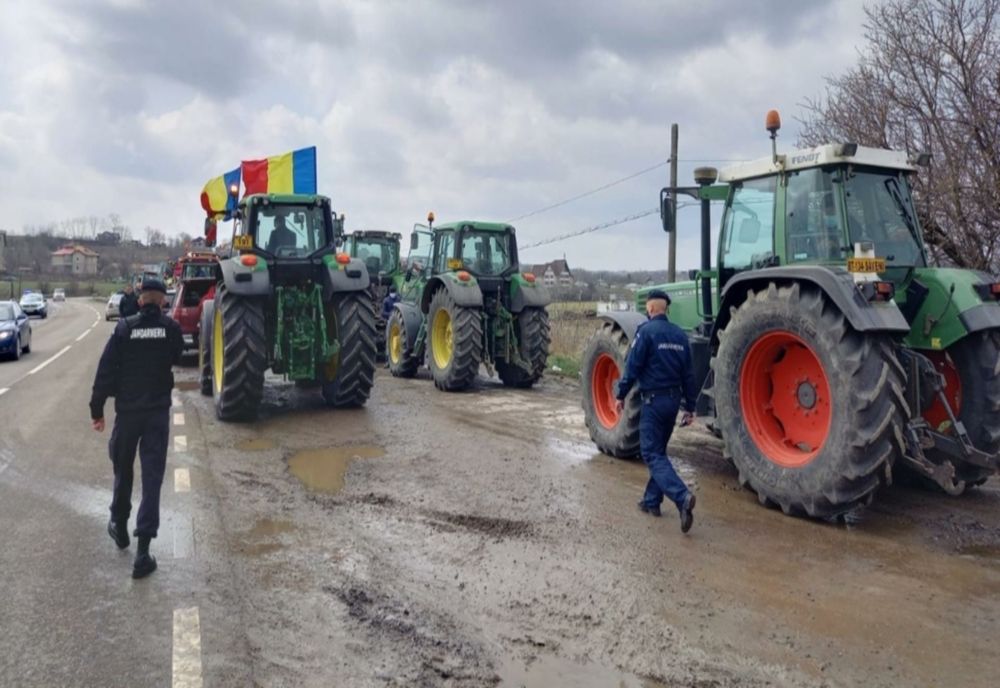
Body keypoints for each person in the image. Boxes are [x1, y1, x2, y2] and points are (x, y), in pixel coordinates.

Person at [90, 277, 183, 579]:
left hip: (128, 413)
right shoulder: (171, 330)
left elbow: (105, 370)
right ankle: (143, 554)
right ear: (163, 301)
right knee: (152, 478)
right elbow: (178, 355)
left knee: (122, 467)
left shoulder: (125, 328)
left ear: (142, 300)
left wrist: (97, 409)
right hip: (156, 414)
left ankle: (118, 523)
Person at [614, 290, 698, 533]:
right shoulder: (680, 336)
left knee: (650, 453)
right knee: (658, 451)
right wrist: (690, 407)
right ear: (666, 310)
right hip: (673, 403)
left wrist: (620, 394)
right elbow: (689, 376)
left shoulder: (646, 332)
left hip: (653, 401)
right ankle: (651, 501)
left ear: (649, 309)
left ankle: (682, 497)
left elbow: (632, 367)